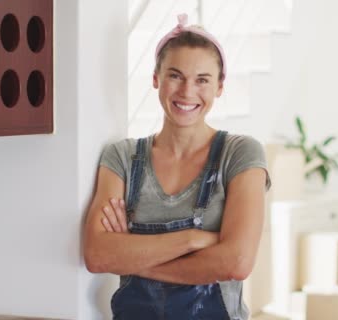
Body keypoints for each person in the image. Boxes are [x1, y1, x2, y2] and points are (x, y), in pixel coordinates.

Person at [84, 13, 271, 320]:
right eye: (175, 75)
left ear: (220, 86)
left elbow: (236, 262)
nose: (187, 92)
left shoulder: (240, 154)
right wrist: (193, 240)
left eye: (202, 80)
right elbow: (97, 255)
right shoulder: (123, 158)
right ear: (156, 78)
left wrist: (131, 254)